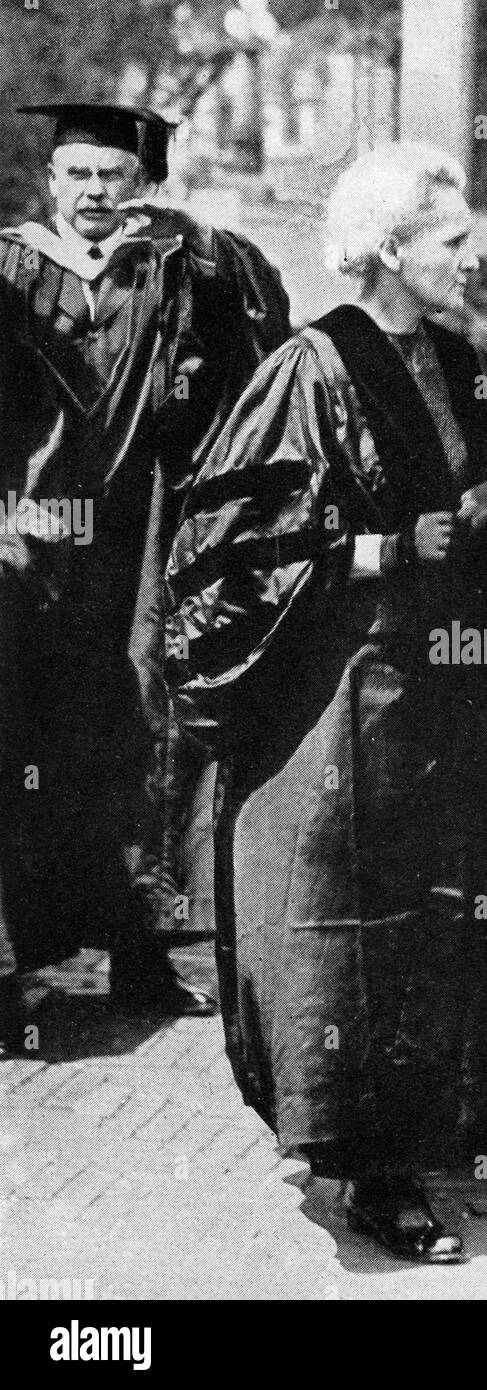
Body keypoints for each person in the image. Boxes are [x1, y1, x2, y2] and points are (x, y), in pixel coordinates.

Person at [165, 142, 487, 1263]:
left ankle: (417, 1137)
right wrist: (378, 545)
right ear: (388, 248)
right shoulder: (312, 366)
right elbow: (226, 538)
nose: (471, 259)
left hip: (448, 690)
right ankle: (371, 1166)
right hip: (347, 692)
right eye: (451, 241)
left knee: (434, 910)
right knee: (347, 926)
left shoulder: (466, 362)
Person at [0, 102, 290, 1050]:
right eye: (76, 175)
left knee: (139, 735)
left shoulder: (178, 269)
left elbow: (237, 379)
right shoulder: (10, 267)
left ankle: (139, 949)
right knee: (22, 741)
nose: (92, 193)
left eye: (111, 176)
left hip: (139, 543)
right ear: (50, 180)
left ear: (140, 183)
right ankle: (15, 967)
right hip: (26, 546)